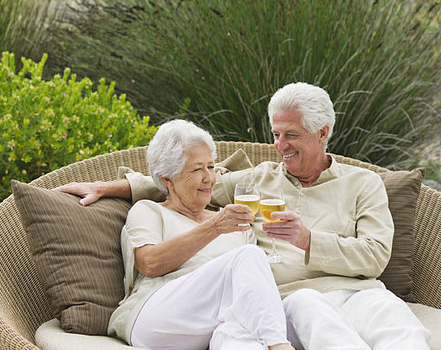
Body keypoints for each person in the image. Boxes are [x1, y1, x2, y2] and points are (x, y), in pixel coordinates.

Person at [57, 83, 431, 349]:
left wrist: (308, 240)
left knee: (402, 331)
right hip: (292, 299)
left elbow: (376, 256)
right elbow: (184, 182)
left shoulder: (364, 184)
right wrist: (111, 187)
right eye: (276, 134)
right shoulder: (256, 179)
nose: (279, 146)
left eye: (291, 136)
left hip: (361, 292)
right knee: (311, 310)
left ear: (323, 132)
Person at [106, 119, 294, 350]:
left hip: (213, 324)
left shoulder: (233, 223)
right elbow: (149, 263)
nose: (209, 178)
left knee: (238, 335)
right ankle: (280, 346)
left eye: (211, 167)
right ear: (168, 180)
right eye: (197, 169)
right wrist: (214, 227)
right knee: (249, 255)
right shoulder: (149, 210)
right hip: (156, 318)